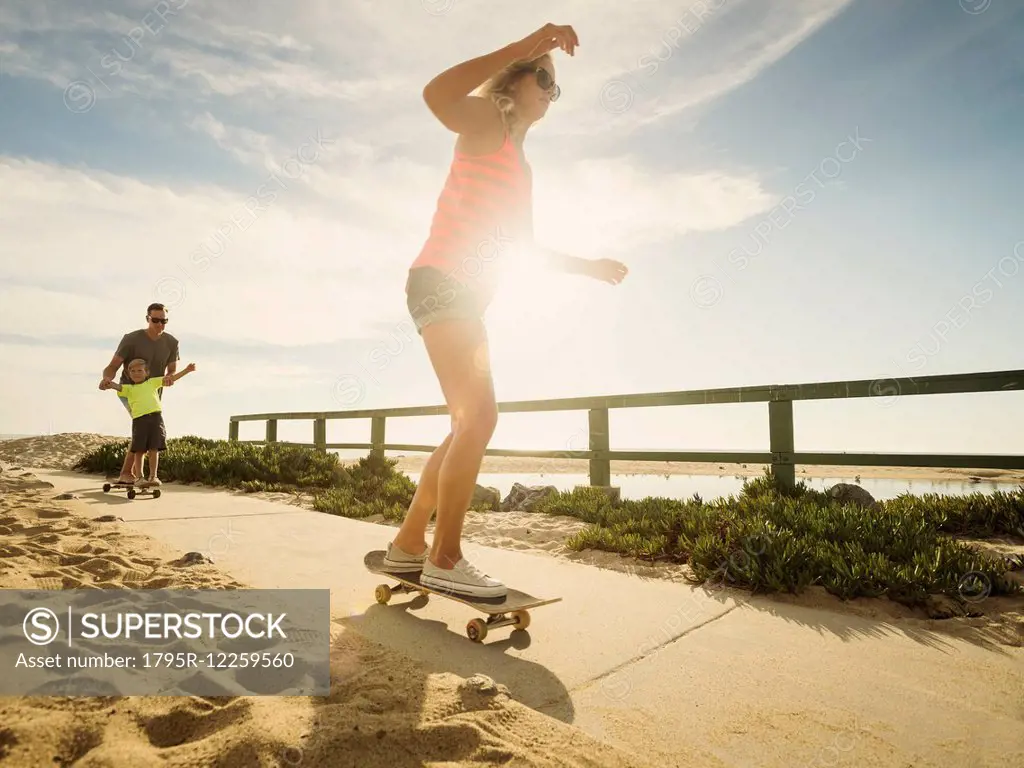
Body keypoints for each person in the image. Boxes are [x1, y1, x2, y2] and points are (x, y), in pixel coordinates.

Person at [382, 24, 629, 598]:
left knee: (465, 425)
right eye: (543, 78)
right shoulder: (486, 121)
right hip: (442, 282)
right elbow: (435, 95)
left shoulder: (522, 163)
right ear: (515, 80)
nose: (549, 91)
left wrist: (587, 266)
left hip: (467, 295)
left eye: (555, 87)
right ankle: (445, 556)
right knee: (481, 419)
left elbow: (524, 249)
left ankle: (409, 546)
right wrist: (521, 46)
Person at [99, 303, 180, 484]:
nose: (160, 324)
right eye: (155, 320)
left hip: (152, 393)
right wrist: (106, 379)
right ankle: (128, 473)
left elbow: (172, 369)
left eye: (163, 321)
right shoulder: (131, 339)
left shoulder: (171, 342)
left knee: (147, 431)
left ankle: (136, 474)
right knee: (142, 427)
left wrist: (170, 377)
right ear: (147, 319)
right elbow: (113, 366)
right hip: (129, 391)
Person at [100, 359, 196, 487]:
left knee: (153, 449)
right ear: (129, 375)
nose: (136, 373)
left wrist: (186, 370)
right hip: (139, 421)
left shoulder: (152, 382)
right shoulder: (128, 388)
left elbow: (171, 378)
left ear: (147, 372)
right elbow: (115, 385)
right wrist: (107, 383)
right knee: (139, 451)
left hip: (156, 419)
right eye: (132, 371)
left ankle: (153, 476)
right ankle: (139, 477)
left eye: (140, 370)